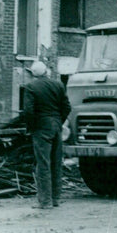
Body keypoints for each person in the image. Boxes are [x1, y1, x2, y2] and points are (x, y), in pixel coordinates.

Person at [23, 61, 71, 209]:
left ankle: (45, 201)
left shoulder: (31, 87)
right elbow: (67, 107)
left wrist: (32, 127)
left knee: (43, 164)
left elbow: (28, 111)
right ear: (46, 72)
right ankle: (56, 199)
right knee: (56, 162)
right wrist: (58, 121)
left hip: (41, 128)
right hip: (56, 126)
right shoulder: (58, 85)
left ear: (33, 74)